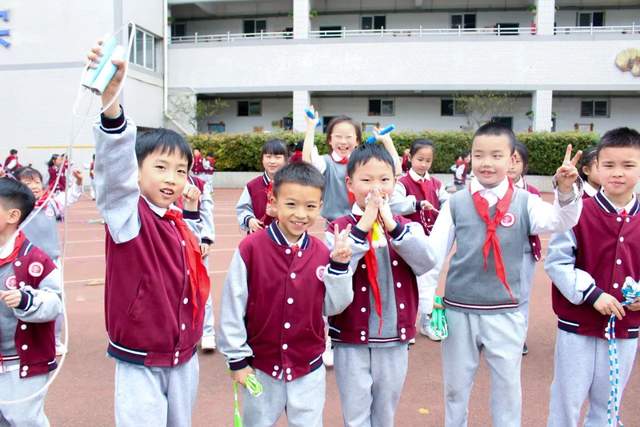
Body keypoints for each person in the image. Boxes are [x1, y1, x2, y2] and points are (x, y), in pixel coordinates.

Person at [428, 122, 583, 426]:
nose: (486, 163)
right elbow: (433, 256)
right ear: (470, 158)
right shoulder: (455, 204)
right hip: (459, 310)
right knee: (455, 388)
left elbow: (559, 221)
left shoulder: (525, 202)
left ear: (512, 160)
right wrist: (425, 303)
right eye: (479, 155)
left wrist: (565, 190)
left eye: (496, 155)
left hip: (506, 311)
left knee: (508, 389)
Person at [88, 40, 208, 426]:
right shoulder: (128, 215)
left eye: (181, 170)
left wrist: (192, 216)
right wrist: (111, 103)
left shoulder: (175, 220)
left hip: (183, 354)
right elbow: (113, 174)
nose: (172, 178)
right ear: (136, 172)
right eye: (161, 167)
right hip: (140, 358)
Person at [218, 162, 353, 427]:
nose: (300, 214)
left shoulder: (322, 253)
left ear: (320, 206)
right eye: (291, 204)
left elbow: (333, 306)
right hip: (262, 366)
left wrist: (339, 267)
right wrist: (237, 359)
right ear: (273, 202)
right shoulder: (251, 248)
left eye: (310, 206)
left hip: (308, 367)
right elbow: (233, 305)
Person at [327, 144, 436, 426]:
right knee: (355, 413)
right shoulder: (338, 229)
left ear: (395, 183)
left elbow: (427, 261)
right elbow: (334, 276)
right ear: (349, 183)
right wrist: (362, 227)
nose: (376, 188)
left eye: (384, 179)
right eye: (366, 180)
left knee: (385, 411)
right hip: (350, 336)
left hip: (394, 336)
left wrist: (392, 225)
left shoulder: (405, 226)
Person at [545, 127, 640, 427]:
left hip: (625, 327)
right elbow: (557, 262)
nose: (618, 172)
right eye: (608, 164)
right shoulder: (578, 212)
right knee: (566, 402)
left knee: (609, 405)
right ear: (595, 167)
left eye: (628, 165)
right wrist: (592, 293)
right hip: (578, 326)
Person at [0, 177, 62, 427]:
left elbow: (55, 301)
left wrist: (27, 300)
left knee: (24, 418)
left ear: (13, 215)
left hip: (22, 361)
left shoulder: (34, 259)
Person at [390, 138, 449, 341]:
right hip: (409, 242)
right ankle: (406, 325)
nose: (424, 164)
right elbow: (394, 205)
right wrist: (416, 204)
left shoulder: (437, 184)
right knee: (406, 283)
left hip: (432, 239)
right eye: (420, 159)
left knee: (429, 281)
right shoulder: (402, 183)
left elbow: (447, 202)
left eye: (428, 160)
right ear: (410, 158)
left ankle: (426, 322)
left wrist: (447, 207)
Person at [507, 141, 542, 355]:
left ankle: (519, 338)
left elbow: (538, 222)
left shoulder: (533, 192)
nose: (511, 165)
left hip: (525, 251)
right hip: (497, 251)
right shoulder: (491, 190)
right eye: (508, 160)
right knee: (496, 293)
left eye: (516, 161)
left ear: (524, 165)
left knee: (522, 296)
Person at [235, 139, 288, 233]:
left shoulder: (293, 185)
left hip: (286, 236)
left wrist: (279, 213)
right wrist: (249, 220)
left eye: (277, 157)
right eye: (268, 157)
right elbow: (242, 208)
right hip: (258, 237)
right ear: (262, 159)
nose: (272, 161)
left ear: (285, 160)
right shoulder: (252, 186)